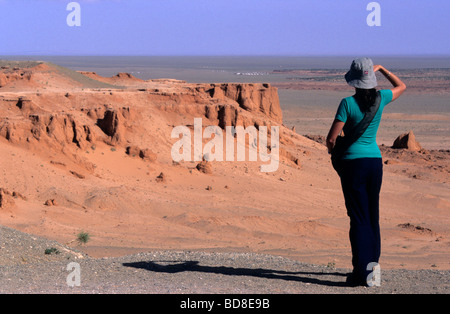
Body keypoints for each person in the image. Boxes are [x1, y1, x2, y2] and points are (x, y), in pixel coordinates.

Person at [326, 58, 406, 287]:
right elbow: (402, 87)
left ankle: (360, 273)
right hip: (374, 163)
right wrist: (382, 70)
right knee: (372, 217)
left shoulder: (347, 104)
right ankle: (373, 274)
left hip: (353, 165)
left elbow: (332, 138)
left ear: (354, 80)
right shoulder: (381, 99)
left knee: (358, 218)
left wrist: (334, 153)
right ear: (371, 77)